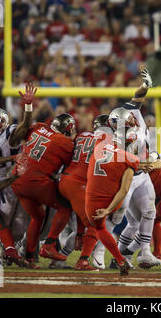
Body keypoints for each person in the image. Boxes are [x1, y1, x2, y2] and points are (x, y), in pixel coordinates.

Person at [108, 69, 161, 269]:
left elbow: (138, 96)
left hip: (142, 174)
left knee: (149, 212)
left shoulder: (130, 112)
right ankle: (98, 253)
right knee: (119, 218)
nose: (128, 122)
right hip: (127, 177)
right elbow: (124, 162)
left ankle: (144, 252)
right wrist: (146, 163)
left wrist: (145, 85)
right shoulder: (116, 138)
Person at [0, 82, 36, 268]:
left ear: (5, 123)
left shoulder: (10, 135)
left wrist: (27, 108)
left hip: (11, 184)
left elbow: (24, 127)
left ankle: (7, 251)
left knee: (17, 228)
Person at [11, 113, 76, 268]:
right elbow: (69, 166)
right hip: (35, 182)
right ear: (67, 130)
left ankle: (29, 258)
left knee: (38, 216)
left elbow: (21, 135)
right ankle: (49, 245)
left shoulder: (39, 127)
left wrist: (27, 110)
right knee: (65, 206)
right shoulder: (64, 142)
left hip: (17, 179)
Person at [55, 114, 110, 271]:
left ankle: (54, 252)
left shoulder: (81, 135)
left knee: (77, 223)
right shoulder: (108, 142)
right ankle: (84, 260)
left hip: (65, 180)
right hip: (80, 184)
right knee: (95, 222)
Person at [86, 126, 140, 276]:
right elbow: (123, 190)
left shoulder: (100, 144)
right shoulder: (131, 159)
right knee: (102, 227)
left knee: (97, 227)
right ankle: (119, 260)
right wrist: (109, 209)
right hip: (111, 199)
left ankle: (88, 257)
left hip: (90, 198)